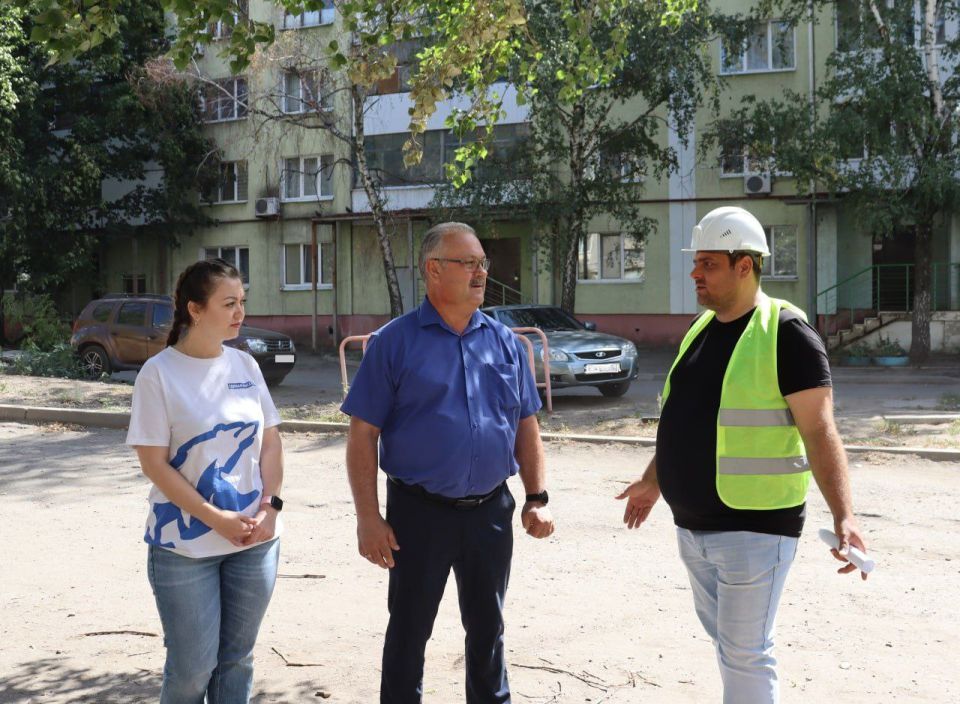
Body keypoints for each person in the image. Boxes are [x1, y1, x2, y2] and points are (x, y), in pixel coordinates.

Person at [616, 206, 869, 704]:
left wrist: (846, 516)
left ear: (745, 266)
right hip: (694, 527)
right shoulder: (699, 330)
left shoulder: (787, 333)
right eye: (697, 263)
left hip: (756, 528)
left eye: (708, 263)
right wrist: (654, 480)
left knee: (746, 653)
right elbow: (683, 422)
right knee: (731, 648)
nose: (695, 273)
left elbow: (820, 431)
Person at [341, 222, 555, 704]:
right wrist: (368, 519)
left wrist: (535, 497)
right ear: (433, 270)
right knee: (410, 631)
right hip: (420, 513)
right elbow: (362, 434)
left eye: (483, 262)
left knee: (488, 630)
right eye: (469, 263)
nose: (481, 272)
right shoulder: (393, 343)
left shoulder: (505, 343)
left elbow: (525, 424)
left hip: (490, 513)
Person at [126, 258, 285, 704]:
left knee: (237, 661)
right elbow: (155, 464)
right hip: (185, 547)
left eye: (243, 302)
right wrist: (215, 518)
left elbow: (270, 444)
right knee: (193, 670)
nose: (240, 313)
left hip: (254, 541)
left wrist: (270, 507)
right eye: (229, 303)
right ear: (195, 310)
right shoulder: (158, 374)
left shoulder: (246, 367)